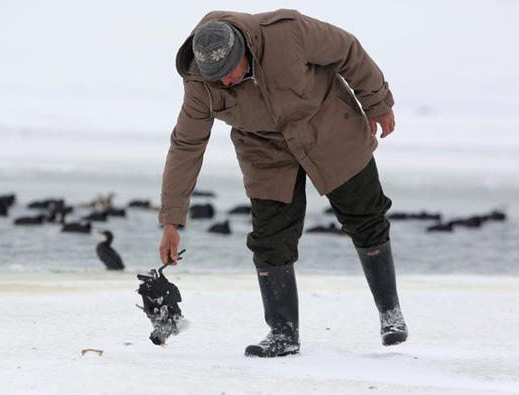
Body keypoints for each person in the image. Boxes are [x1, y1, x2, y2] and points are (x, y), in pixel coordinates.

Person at [158, 9, 407, 357]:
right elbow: (186, 145)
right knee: (270, 240)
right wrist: (171, 219)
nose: (225, 82)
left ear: (243, 48)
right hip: (265, 151)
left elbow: (348, 50)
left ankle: (390, 314)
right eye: (217, 78)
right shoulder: (201, 83)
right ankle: (282, 333)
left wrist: (377, 102)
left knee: (365, 217)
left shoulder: (286, 33)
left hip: (328, 126)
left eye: (229, 71)